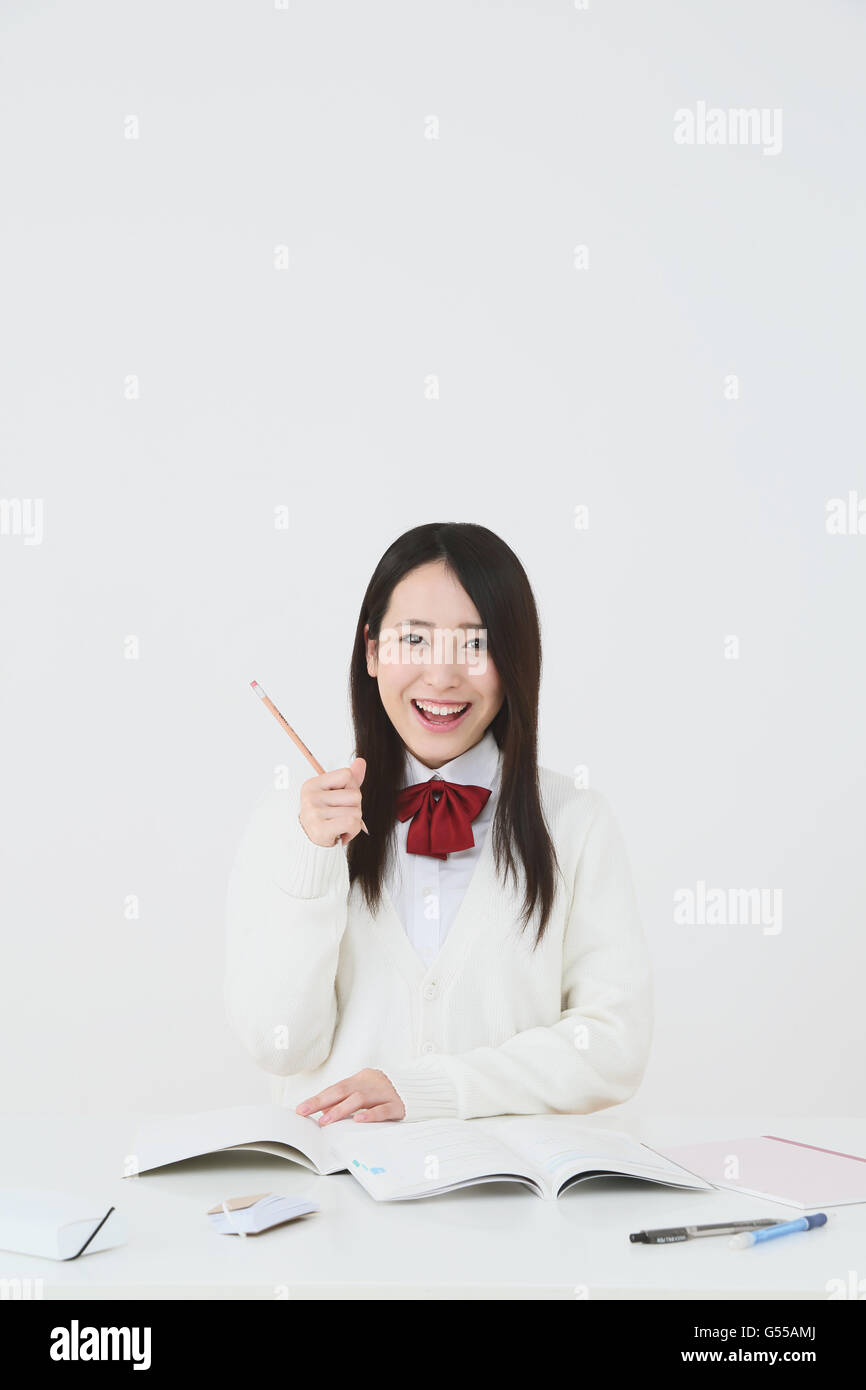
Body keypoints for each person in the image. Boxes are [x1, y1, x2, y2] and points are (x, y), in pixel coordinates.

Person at [224, 521, 653, 1125]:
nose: (443, 676)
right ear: (372, 652)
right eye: (415, 641)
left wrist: (433, 1090)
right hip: (337, 1198)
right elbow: (280, 1045)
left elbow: (613, 1047)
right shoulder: (290, 823)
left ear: (514, 659)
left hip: (510, 1200)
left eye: (476, 644)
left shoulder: (575, 822)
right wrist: (314, 859)